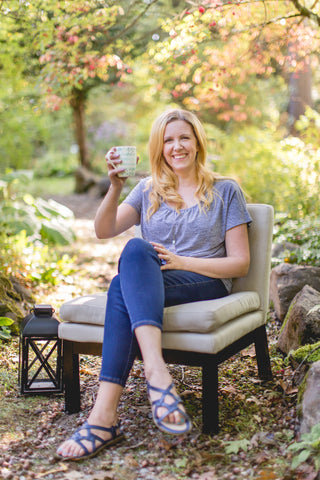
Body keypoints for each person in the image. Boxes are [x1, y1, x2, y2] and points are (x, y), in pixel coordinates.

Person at [56, 108, 251, 461]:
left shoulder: (226, 190)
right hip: (156, 281)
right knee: (133, 250)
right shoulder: (149, 189)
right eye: (168, 140)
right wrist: (116, 186)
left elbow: (240, 263)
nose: (176, 146)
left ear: (197, 143)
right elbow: (103, 231)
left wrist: (182, 262)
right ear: (159, 148)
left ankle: (105, 416)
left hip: (205, 280)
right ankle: (154, 374)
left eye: (184, 138)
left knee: (120, 286)